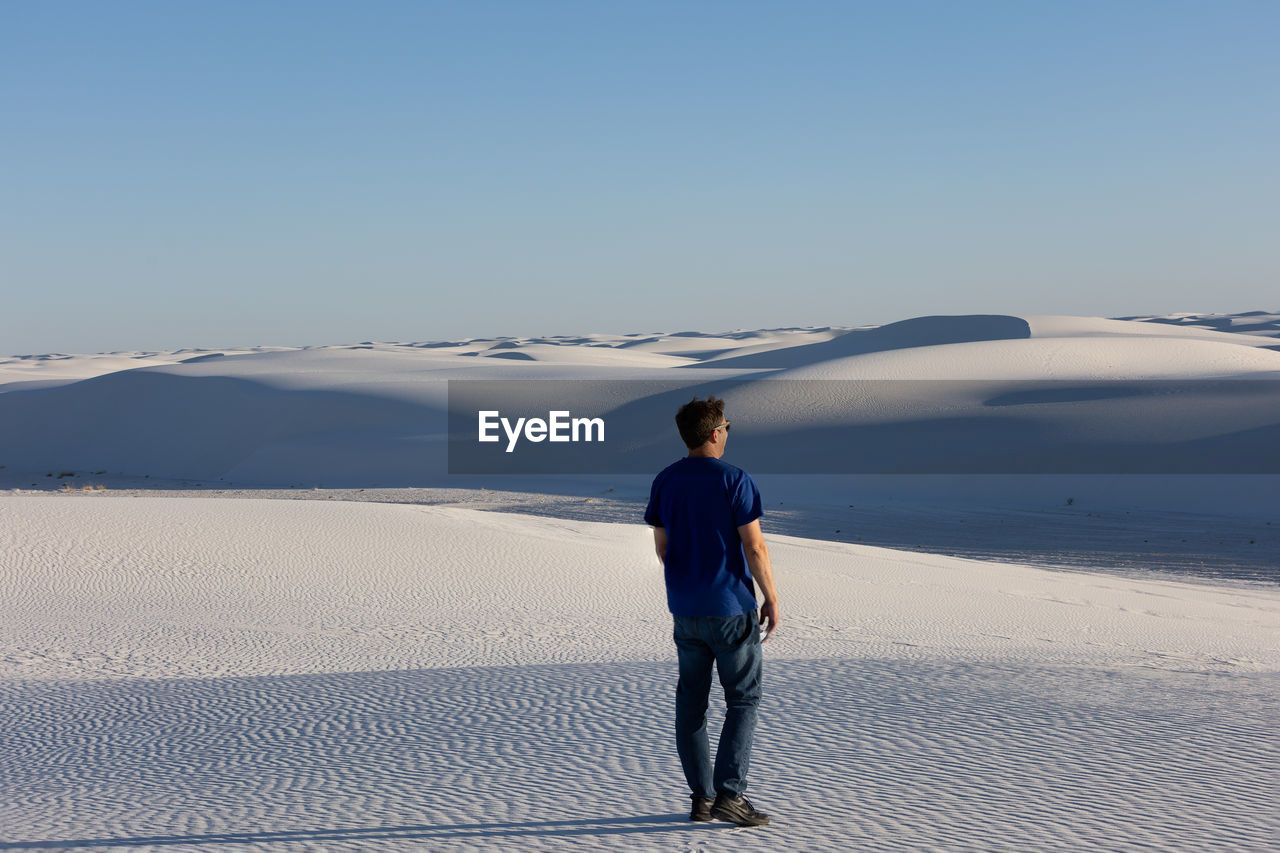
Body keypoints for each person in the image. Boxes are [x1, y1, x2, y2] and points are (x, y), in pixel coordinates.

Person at [643, 394, 780, 828]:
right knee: (742, 699)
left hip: (686, 609)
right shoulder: (734, 479)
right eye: (726, 427)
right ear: (715, 433)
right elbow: (754, 544)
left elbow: (663, 549)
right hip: (731, 608)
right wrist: (772, 597)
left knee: (692, 704)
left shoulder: (665, 480)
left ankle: (701, 799)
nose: (727, 433)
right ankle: (730, 795)